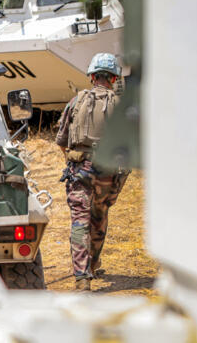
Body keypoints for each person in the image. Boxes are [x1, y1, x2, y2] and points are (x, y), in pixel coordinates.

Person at [55, 52, 129, 291]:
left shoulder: (76, 102)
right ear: (114, 79)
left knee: (80, 222)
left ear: (93, 76)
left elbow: (61, 140)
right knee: (99, 218)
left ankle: (82, 278)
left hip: (80, 171)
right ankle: (93, 264)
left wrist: (73, 162)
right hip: (109, 172)